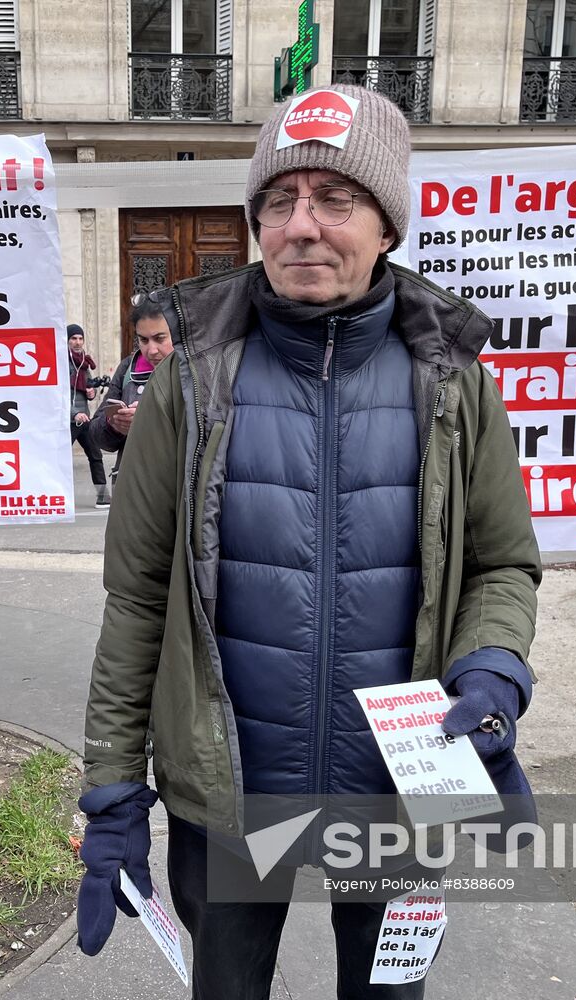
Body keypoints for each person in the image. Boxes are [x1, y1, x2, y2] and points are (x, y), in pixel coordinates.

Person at [76, 84, 541, 999]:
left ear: (384, 226)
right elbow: (136, 600)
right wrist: (112, 790)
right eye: (279, 202)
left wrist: (493, 668)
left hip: (398, 795)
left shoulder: (452, 384)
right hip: (228, 794)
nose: (302, 226)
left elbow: (500, 562)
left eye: (336, 199)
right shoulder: (190, 385)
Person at [87, 296, 173, 481]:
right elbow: (96, 433)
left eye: (160, 339)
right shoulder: (128, 368)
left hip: (179, 487)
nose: (151, 350)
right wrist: (115, 425)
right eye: (143, 340)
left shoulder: (198, 370)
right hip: (133, 483)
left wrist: (146, 422)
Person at [67, 323, 110, 508]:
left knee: (95, 455)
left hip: (84, 418)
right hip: (68, 420)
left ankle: (103, 497)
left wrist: (91, 393)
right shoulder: (60, 362)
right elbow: (57, 395)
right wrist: (74, 413)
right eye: (74, 338)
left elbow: (86, 389)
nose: (78, 342)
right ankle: (57, 497)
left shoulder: (84, 363)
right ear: (67, 340)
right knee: (59, 460)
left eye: (80, 338)